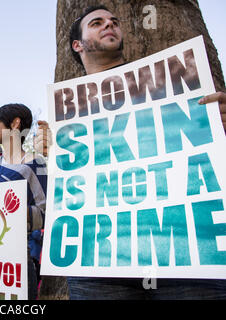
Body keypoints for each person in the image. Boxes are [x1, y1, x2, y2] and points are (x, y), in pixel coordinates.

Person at [63, 4, 226, 300]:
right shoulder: (66, 109)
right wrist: (52, 153)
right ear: (78, 45)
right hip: (98, 263)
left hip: (186, 252)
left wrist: (219, 123)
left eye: (113, 21)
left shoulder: (170, 82)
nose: (109, 25)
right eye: (96, 23)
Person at [0, 61, 47, 299]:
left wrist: (5, 201)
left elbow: (44, 212)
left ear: (15, 124)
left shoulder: (35, 163)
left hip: (14, 263)